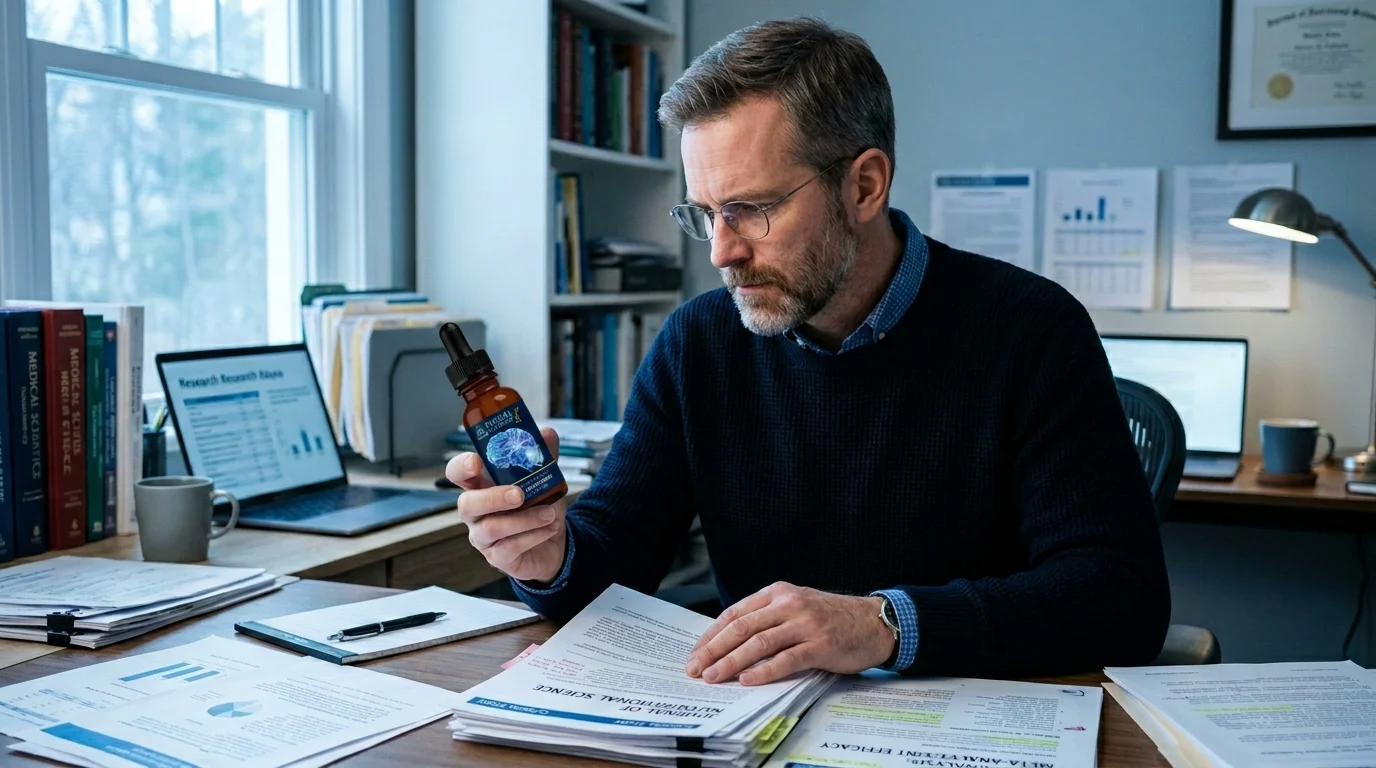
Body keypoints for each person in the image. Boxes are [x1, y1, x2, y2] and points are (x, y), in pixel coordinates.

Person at [449, 17, 1169, 686]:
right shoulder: (698, 342)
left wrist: (886, 624)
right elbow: (617, 554)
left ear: (863, 185)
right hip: (758, 727)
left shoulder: (1031, 330)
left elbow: (1120, 597)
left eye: (752, 209)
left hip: (977, 725)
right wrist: (548, 556)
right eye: (705, 214)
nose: (723, 253)